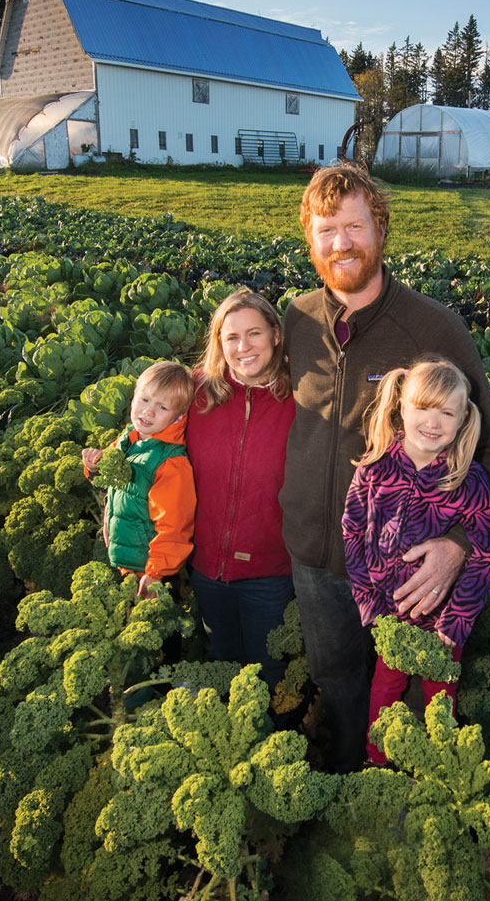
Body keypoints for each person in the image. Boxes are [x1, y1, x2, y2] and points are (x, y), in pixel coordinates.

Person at [280, 164, 490, 773]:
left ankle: (395, 810)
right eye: (326, 230)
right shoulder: (296, 321)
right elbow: (234, 376)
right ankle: (348, 790)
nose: (341, 243)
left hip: (406, 572)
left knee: (405, 699)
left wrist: (458, 544)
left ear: (379, 228)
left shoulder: (432, 327)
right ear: (310, 238)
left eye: (354, 226)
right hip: (316, 561)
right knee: (339, 686)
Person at [341, 359, 490, 765]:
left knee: (440, 705)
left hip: (441, 625)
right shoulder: (374, 468)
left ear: (463, 418)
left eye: (447, 412)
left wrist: (456, 621)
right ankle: (377, 767)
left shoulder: (469, 480)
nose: (433, 422)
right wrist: (371, 607)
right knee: (383, 698)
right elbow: (353, 533)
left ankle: (439, 773)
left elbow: (487, 555)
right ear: (402, 408)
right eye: (423, 408)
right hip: (391, 620)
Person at [186, 288, 296, 686]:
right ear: (219, 342)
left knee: (269, 673)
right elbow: (149, 426)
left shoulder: (303, 399)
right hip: (207, 567)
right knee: (223, 661)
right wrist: (109, 458)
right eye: (231, 337)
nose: (243, 347)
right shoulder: (197, 391)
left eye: (254, 334)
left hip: (270, 570)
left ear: (276, 335)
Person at [82, 360, 197, 599]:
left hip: (154, 571)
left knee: (156, 626)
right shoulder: (130, 437)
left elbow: (174, 528)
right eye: (144, 399)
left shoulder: (170, 463)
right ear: (133, 397)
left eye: (162, 407)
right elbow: (107, 478)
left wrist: (155, 573)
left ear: (177, 418)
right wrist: (94, 465)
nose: (148, 411)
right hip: (129, 561)